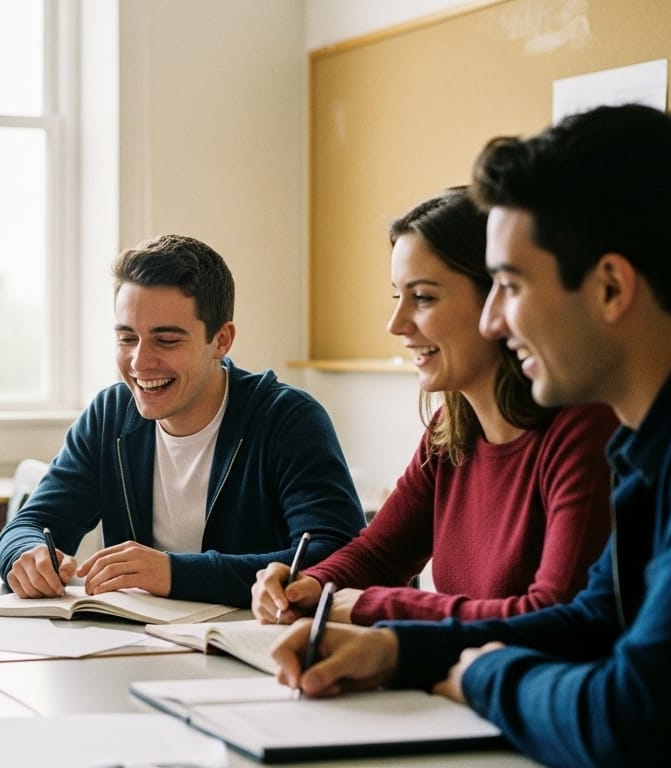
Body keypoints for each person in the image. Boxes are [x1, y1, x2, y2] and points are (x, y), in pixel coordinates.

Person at [268, 105, 671, 767]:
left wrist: (482, 677)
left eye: (509, 286)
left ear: (609, 287)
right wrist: (399, 651)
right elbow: (592, 619)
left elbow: (635, 716)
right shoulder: (656, 435)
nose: (491, 320)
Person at [251, 188, 616, 626]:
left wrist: (373, 605)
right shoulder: (451, 428)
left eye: (422, 297)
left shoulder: (584, 428)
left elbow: (554, 615)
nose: (396, 324)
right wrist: (308, 584)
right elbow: (379, 553)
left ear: (499, 299)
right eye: (396, 297)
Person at [0, 234, 366, 607]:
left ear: (221, 340)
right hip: (139, 649)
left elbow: (336, 556)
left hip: (257, 650)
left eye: (166, 341)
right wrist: (27, 555)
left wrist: (173, 573)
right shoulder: (110, 415)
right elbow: (29, 526)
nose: (140, 362)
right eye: (127, 338)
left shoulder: (287, 419)